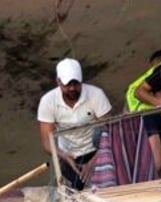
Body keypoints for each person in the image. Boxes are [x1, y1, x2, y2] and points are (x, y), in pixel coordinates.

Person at [37, 58, 112, 190]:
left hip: (96, 149)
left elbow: (110, 132)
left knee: (104, 187)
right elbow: (47, 142)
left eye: (76, 84)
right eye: (67, 85)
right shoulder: (48, 101)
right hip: (68, 153)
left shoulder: (96, 94)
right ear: (58, 82)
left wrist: (95, 160)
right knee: (76, 189)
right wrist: (63, 155)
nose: (72, 89)